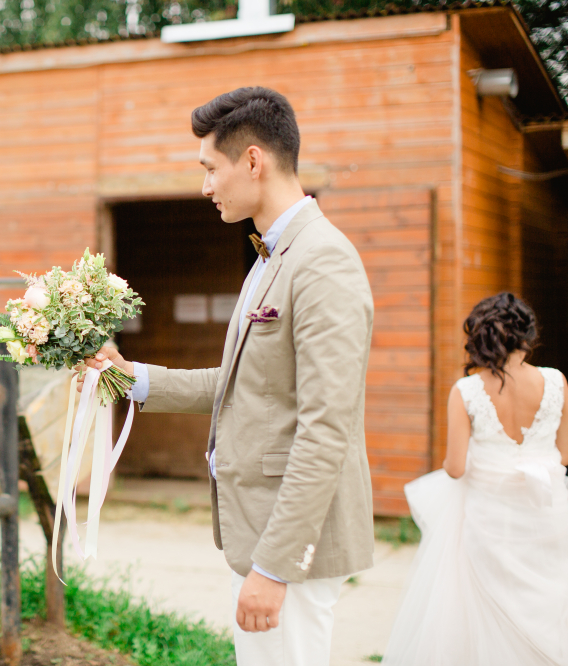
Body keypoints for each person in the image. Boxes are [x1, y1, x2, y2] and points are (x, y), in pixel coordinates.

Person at [85, 87, 375, 666]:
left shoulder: (323, 261)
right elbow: (248, 386)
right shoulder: (271, 257)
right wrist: (129, 377)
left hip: (290, 548)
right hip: (261, 533)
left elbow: (326, 429)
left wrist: (275, 566)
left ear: (252, 161)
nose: (205, 187)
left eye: (210, 168)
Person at [382, 293, 568, 665]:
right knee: (547, 598)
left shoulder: (466, 390)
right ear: (529, 335)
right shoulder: (556, 381)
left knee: (486, 603)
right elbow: (563, 454)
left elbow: (455, 468)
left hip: (490, 518)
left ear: (480, 338)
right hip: (545, 512)